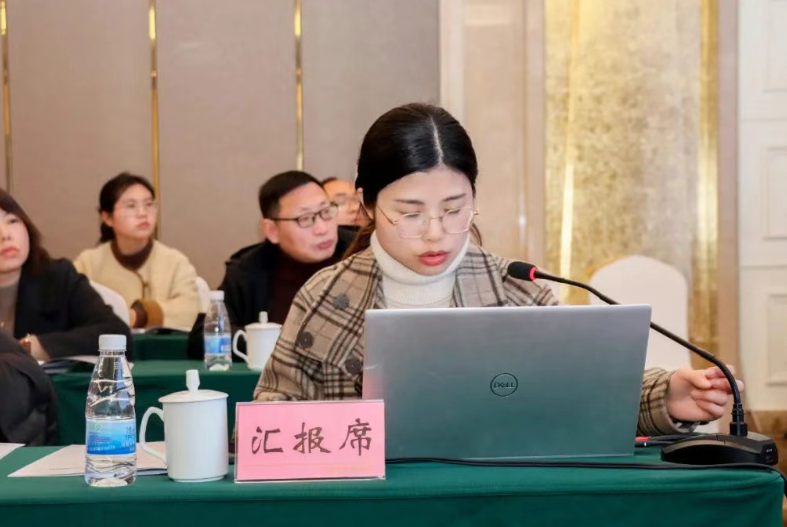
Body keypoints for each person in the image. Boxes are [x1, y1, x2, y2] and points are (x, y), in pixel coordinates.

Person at [254, 103, 742, 437]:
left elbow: (582, 392)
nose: (435, 233)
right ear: (366, 204)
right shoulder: (325, 295)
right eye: (409, 213)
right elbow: (267, 423)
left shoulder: (519, 291)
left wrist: (668, 397)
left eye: (454, 208)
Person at [0, 189, 130, 444]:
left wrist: (36, 346)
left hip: (45, 414)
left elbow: (115, 331)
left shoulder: (58, 278)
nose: (5, 234)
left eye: (12, 221)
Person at [186, 170, 353, 360]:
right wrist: (268, 341)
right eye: (305, 219)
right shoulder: (249, 270)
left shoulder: (361, 253)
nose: (322, 228)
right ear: (272, 230)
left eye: (326, 211)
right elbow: (203, 337)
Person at [74, 172, 201, 330]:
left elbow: (190, 312)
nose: (143, 213)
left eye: (149, 204)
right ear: (107, 218)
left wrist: (140, 315)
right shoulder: (87, 263)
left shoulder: (175, 261)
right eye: (131, 206)